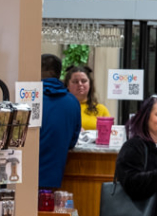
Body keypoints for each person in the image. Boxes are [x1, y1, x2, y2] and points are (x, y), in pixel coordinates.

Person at [38, 54, 81, 189]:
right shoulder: (72, 102)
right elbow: (72, 142)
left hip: (22, 176)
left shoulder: (28, 98)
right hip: (53, 178)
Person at [65, 65, 109, 131]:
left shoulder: (101, 109)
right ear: (68, 85)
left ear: (90, 84)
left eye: (83, 81)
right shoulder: (61, 108)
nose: (80, 84)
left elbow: (109, 133)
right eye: (75, 82)